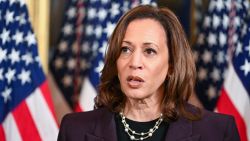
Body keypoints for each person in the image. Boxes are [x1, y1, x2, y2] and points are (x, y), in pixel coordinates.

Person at [57, 5, 240, 141]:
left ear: (171, 65)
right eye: (125, 50)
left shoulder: (218, 132)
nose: (134, 63)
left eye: (149, 51)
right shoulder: (74, 130)